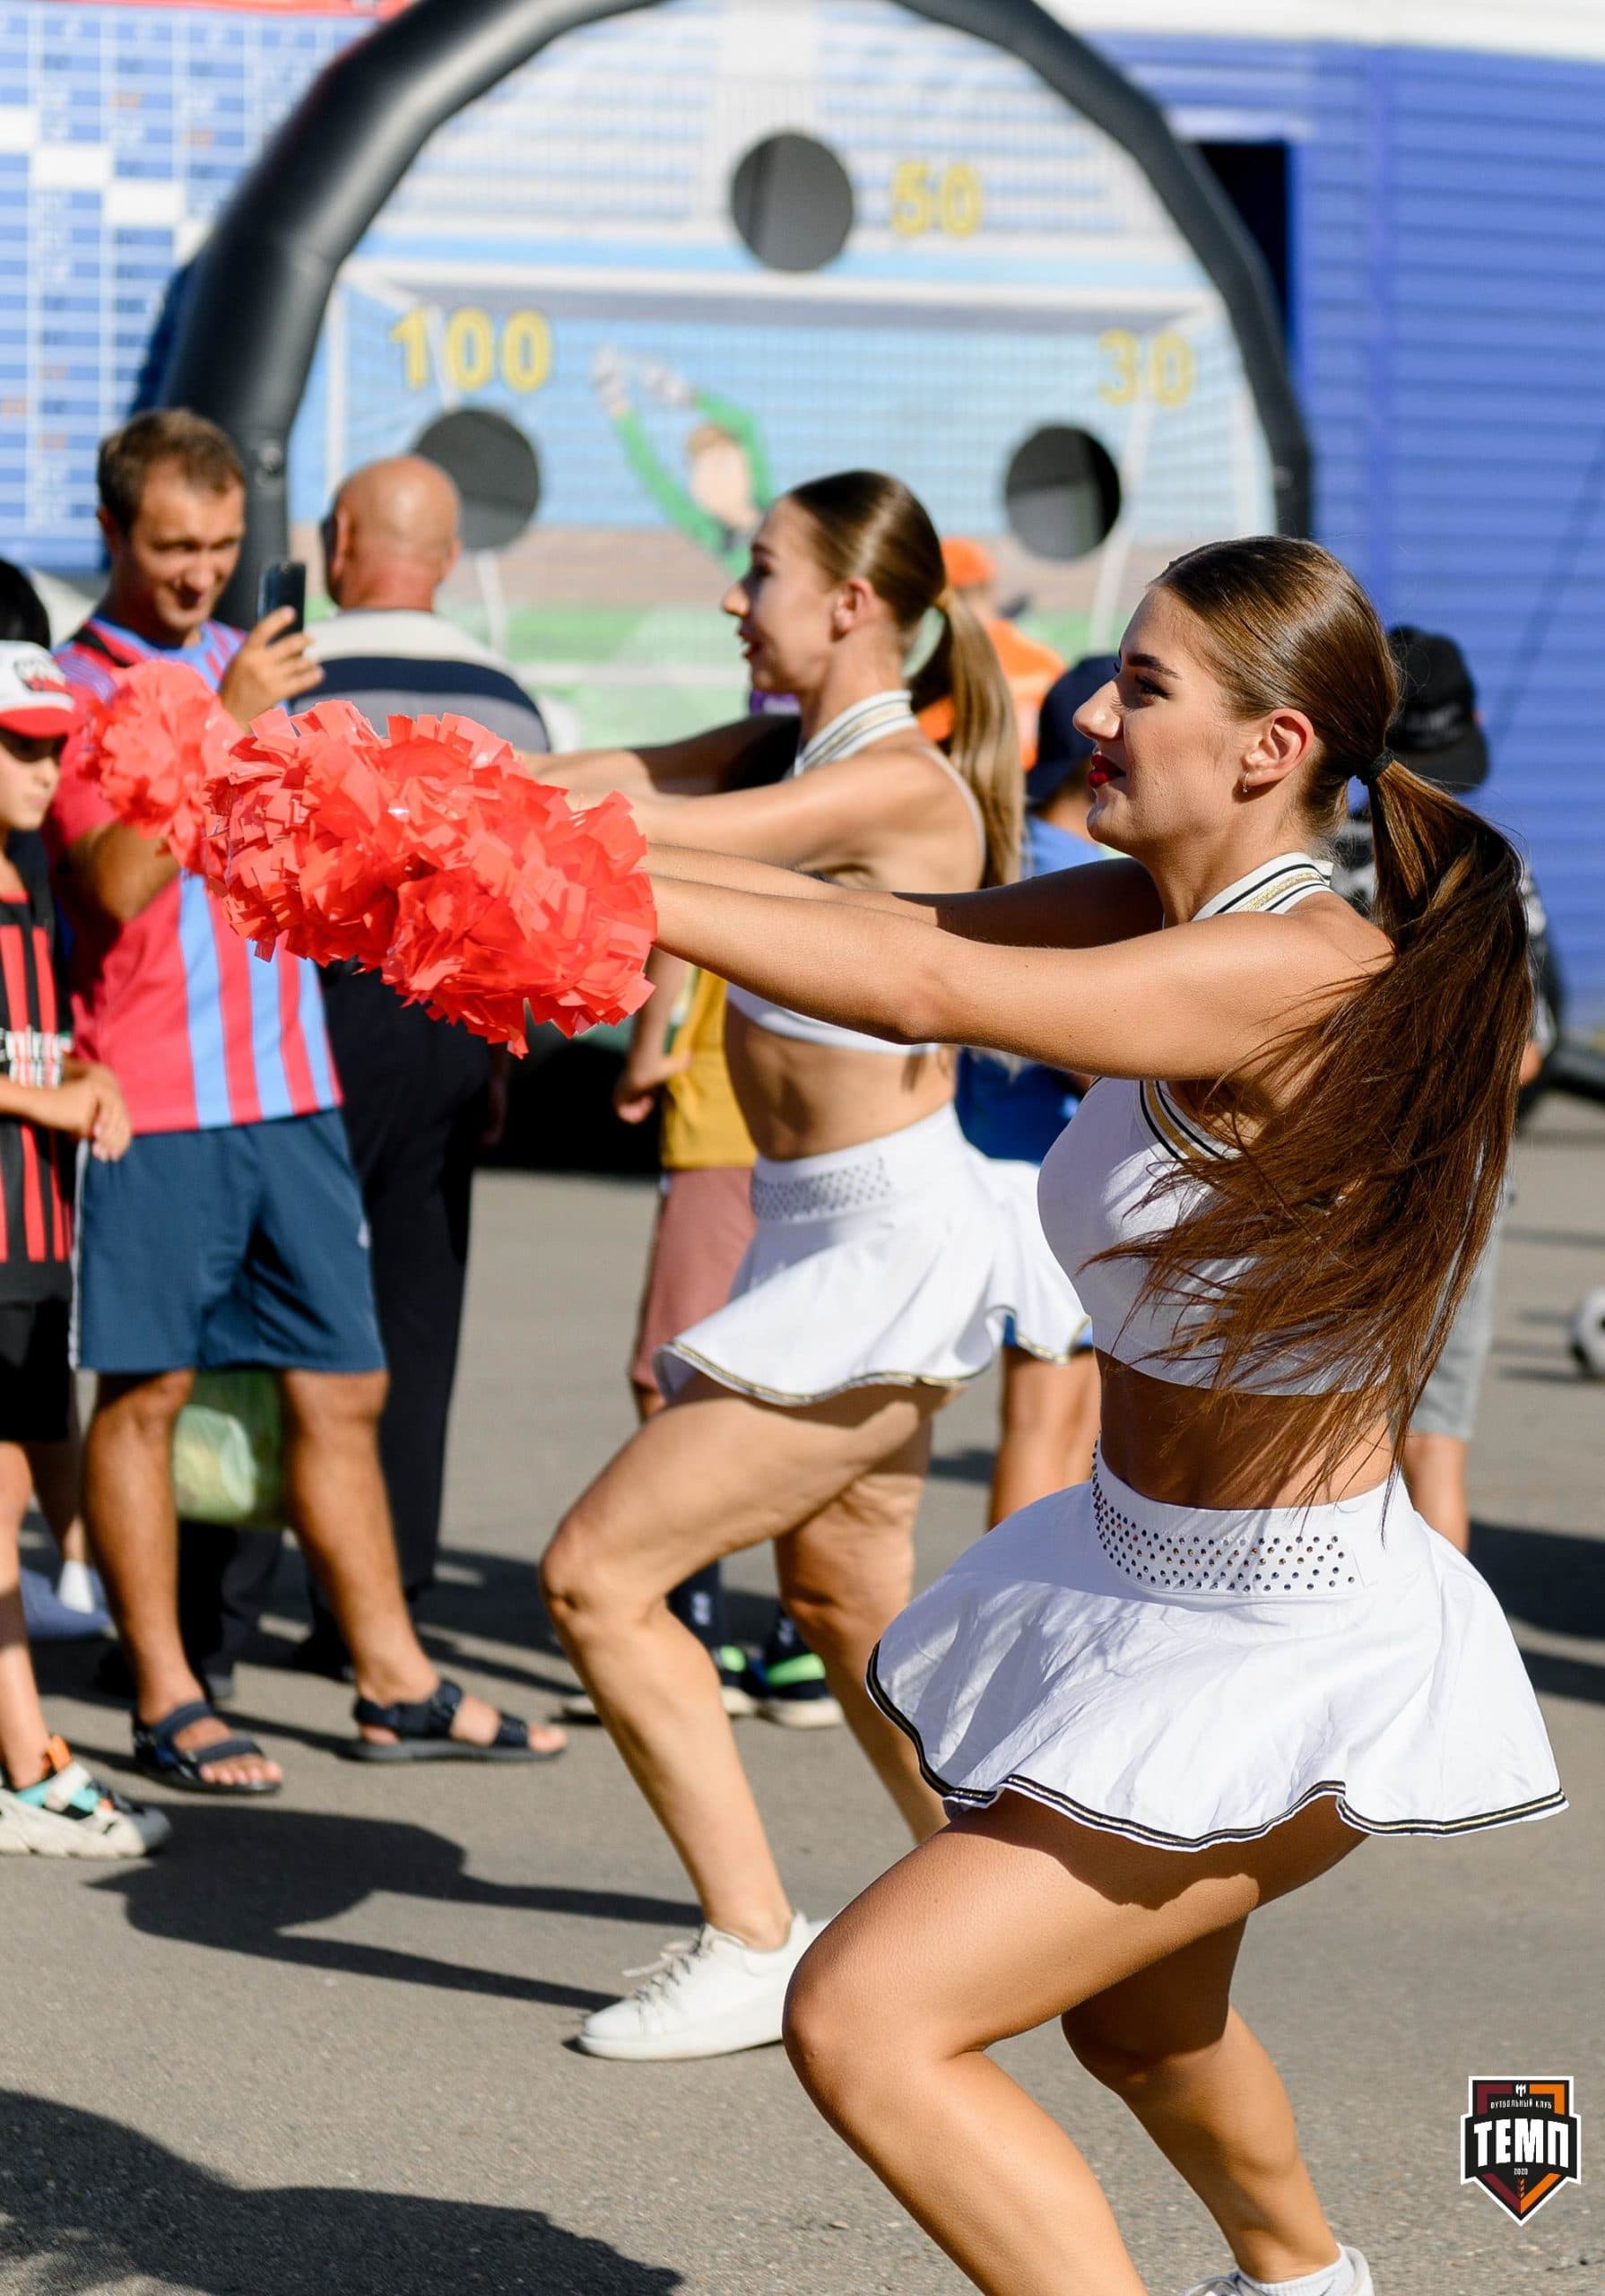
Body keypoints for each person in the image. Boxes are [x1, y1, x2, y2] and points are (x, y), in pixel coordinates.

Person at [638, 534, 1561, 2294]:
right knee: (1142, 2034)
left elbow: (915, 992)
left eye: (1141, 682)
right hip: (1143, 1577)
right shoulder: (1162, 908)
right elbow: (883, 926)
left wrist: (553, 881)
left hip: (1278, 1635)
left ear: (1267, 746)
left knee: (866, 2015)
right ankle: (1305, 2281)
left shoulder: (1290, 970)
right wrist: (521, 831)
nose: (1090, 705)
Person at [539, 471, 1084, 2060]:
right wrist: (396, 765)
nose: (733, 596)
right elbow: (603, 767)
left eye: (757, 571)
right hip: (817, 1223)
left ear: (852, 604)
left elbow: (655, 831)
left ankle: (751, 1938)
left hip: (887, 1243)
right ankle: (1014, 1912)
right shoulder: (801, 743)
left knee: (598, 1576)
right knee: (847, 1603)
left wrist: (455, 808)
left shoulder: (900, 787)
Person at [49, 408, 562, 1790]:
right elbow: (109, 884)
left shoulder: (256, 664)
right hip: (152, 1097)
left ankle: (390, 1677)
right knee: (147, 1395)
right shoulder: (76, 684)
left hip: (294, 1090)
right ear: (110, 535)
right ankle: (165, 1689)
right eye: (170, 548)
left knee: (347, 1388)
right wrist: (222, 729)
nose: (198, 575)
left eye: (219, 547)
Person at [175, 454, 553, 1682]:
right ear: (446, 562)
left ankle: (214, 1619)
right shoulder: (509, 700)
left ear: (340, 544)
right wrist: (496, 1054)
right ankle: (374, 1612)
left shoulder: (288, 677)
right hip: (444, 1030)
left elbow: (231, 866)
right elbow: (523, 911)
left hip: (298, 1023)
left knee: (252, 1308)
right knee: (411, 1318)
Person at [1332, 624, 1555, 1553]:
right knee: (1433, 1447)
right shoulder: (1491, 868)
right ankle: (1442, 1685)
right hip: (1458, 1172)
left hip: (1323, 1175)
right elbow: (1526, 1054)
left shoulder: (1308, 867)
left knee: (1322, 1443)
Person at [0, 639, 167, 1856]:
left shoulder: (25, 878)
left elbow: (31, 1048)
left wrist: (83, 1070)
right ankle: (29, 1764)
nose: (45, 768)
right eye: (20, 744)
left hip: (30, 1237)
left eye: (58, 747)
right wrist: (41, 1095)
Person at [599, 945, 843, 1727]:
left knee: (672, 1372)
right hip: (850, 1133)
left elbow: (679, 938)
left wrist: (645, 1055)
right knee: (811, 1381)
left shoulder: (731, 822)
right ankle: (802, 1637)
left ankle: (700, 1629)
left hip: (730, 1118)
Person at [956, 657, 1114, 1523]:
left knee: (1063, 1423)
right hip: (1044, 1177)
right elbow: (1083, 1045)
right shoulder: (1070, 879)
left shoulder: (1008, 848)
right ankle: (1011, 1621)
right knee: (1047, 1423)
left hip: (995, 1156)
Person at [922, 537, 1064, 767]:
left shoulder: (944, 666)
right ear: (988, 587)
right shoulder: (1046, 660)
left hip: (973, 793)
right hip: (1038, 792)